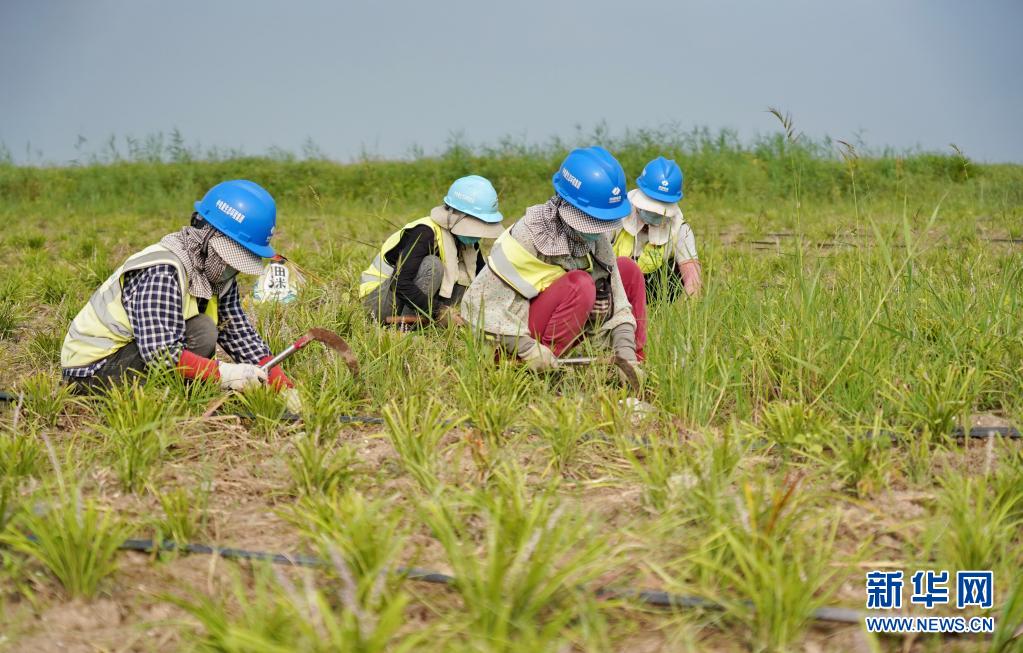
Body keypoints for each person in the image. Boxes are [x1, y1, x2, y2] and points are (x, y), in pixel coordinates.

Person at [61, 180, 300, 409]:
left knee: (203, 328)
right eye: (232, 258)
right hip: (93, 370)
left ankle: (174, 393)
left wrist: (280, 383)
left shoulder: (216, 273)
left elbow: (238, 332)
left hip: (135, 353)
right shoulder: (162, 271)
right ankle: (159, 400)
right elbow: (160, 354)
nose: (234, 269)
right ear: (208, 238)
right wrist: (225, 374)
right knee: (201, 336)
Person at [461, 146, 646, 381]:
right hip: (517, 341)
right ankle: (538, 375)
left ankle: (633, 367)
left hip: (569, 327)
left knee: (628, 270)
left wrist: (626, 353)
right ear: (569, 206)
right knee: (580, 283)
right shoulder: (529, 235)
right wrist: (525, 347)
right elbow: (476, 305)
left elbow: (620, 304)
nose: (597, 231)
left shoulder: (596, 241)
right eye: (593, 220)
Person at [359, 175, 504, 326]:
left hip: (413, 302)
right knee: (432, 265)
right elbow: (400, 285)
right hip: (379, 302)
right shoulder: (424, 232)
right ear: (456, 216)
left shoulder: (467, 242)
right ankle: (405, 329)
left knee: (467, 276)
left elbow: (483, 280)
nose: (478, 234)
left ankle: (427, 323)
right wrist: (440, 311)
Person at [611, 156, 702, 300]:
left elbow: (692, 279)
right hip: (614, 281)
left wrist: (689, 311)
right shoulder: (617, 214)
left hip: (654, 288)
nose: (654, 213)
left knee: (676, 272)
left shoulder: (681, 229)